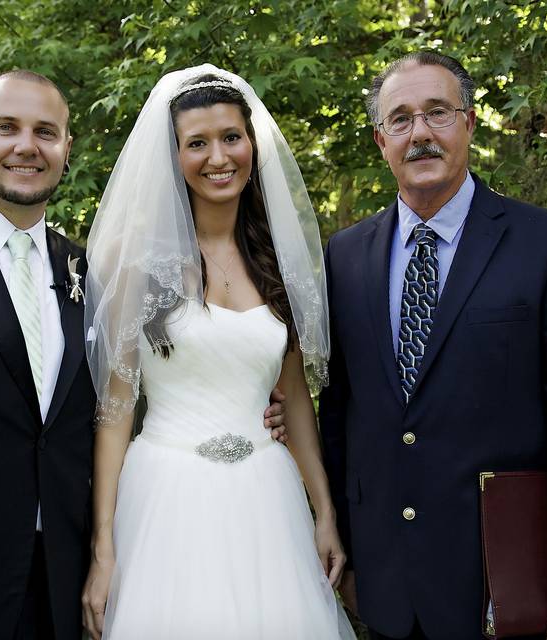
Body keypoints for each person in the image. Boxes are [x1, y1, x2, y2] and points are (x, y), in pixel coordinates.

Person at [0, 69, 288, 640]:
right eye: (6, 127)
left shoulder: (91, 274)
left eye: (45, 131)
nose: (26, 146)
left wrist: (253, 409)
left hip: (66, 583)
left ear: (66, 148)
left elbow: (128, 396)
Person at [319, 51, 547, 640]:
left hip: (506, 586)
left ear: (468, 123)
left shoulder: (546, 243)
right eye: (401, 119)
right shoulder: (345, 256)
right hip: (389, 590)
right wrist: (354, 557)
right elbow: (342, 413)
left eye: (437, 113)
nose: (420, 134)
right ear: (379, 139)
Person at [80, 64, 356, 640]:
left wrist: (323, 510)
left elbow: (298, 402)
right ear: (173, 158)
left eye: (231, 137)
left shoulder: (277, 264)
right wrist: (103, 548)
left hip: (267, 496)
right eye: (196, 143)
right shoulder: (136, 271)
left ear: (251, 143)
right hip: (167, 496)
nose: (218, 157)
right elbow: (114, 416)